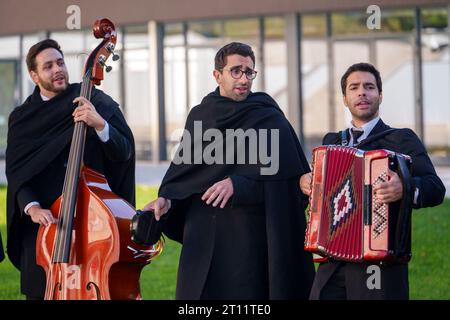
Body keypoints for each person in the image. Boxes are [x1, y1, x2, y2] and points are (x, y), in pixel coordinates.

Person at [143, 42, 315, 299]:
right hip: (204, 241)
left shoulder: (270, 118)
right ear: (217, 75)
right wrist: (167, 199)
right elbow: (184, 175)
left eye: (249, 72)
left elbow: (291, 186)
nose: (244, 79)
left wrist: (240, 184)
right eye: (236, 71)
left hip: (253, 243)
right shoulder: (201, 117)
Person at [300, 62, 446, 300]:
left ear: (380, 95)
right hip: (333, 259)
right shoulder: (332, 142)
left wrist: (405, 187)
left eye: (369, 87)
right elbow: (319, 192)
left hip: (378, 262)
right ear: (345, 99)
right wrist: (306, 183)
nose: (362, 93)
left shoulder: (401, 139)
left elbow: (435, 189)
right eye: (354, 88)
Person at [5, 39, 135, 300]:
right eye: (48, 66)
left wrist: (100, 125)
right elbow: (17, 173)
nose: (57, 70)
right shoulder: (22, 118)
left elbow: (124, 152)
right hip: (44, 232)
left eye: (60, 62)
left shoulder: (92, 100)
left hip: (91, 227)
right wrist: (32, 208)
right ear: (34, 75)